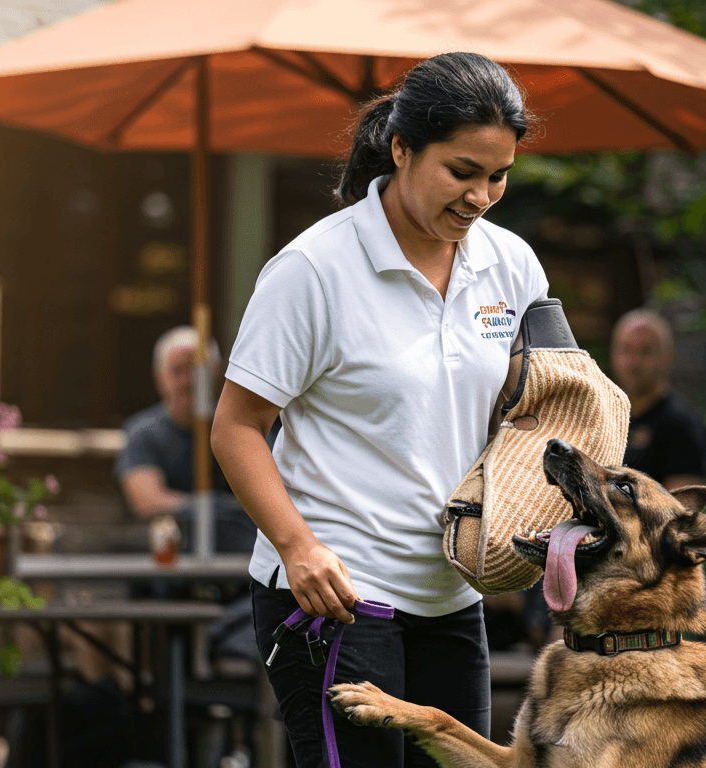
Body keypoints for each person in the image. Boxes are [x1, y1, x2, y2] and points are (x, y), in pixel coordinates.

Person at [210, 52, 546, 768]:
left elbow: (539, 412)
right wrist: (298, 546)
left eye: (499, 175)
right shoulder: (314, 271)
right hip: (336, 601)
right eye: (462, 172)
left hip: (454, 594)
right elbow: (236, 428)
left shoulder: (512, 266)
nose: (482, 195)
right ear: (401, 149)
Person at [116, 325, 257, 554]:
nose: (189, 381)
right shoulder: (143, 432)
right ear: (160, 377)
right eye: (178, 371)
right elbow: (148, 501)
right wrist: (213, 507)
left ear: (217, 372)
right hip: (167, 561)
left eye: (197, 370)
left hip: (238, 560)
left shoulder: (241, 429)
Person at [611, 308, 706, 490]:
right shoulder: (605, 417)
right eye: (626, 350)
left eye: (645, 351)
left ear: (667, 356)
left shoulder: (681, 425)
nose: (633, 362)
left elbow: (680, 512)